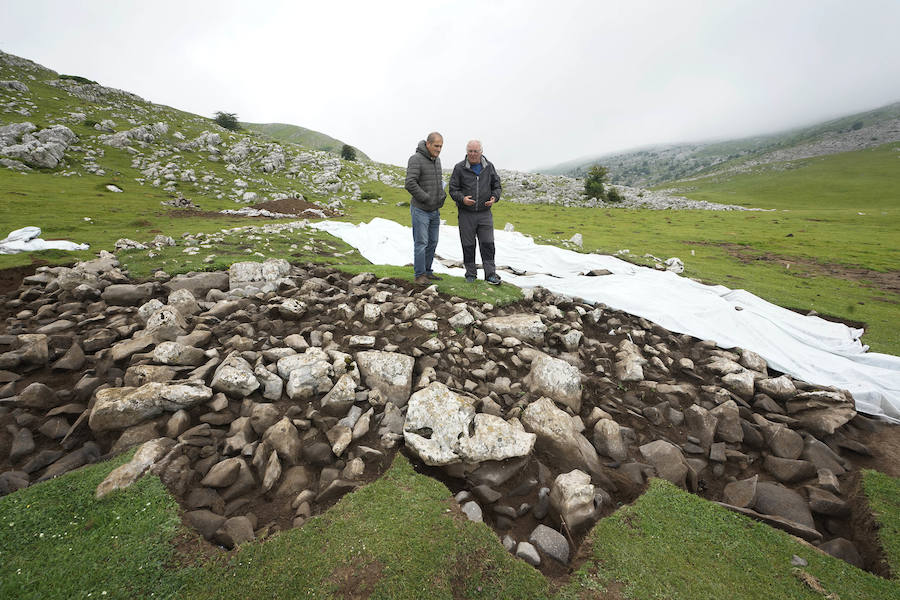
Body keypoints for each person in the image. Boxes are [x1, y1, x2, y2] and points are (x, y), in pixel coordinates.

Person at [449, 139, 502, 284]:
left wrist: (494, 198)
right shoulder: (459, 168)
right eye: (470, 151)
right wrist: (462, 199)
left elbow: (497, 186)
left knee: (488, 244)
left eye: (475, 151)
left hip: (485, 213)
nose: (473, 154)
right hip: (466, 213)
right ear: (467, 152)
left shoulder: (489, 167)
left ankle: (490, 274)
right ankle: (470, 274)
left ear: (481, 152)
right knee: (468, 244)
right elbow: (453, 189)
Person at [405, 132, 447, 285]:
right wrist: (426, 198)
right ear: (428, 144)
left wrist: (441, 195)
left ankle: (428, 272)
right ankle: (419, 275)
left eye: (441, 146)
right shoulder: (416, 159)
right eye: (436, 146)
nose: (439, 149)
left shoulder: (437, 160)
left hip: (434, 211)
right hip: (420, 209)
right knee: (421, 242)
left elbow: (438, 182)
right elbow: (410, 183)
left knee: (433, 242)